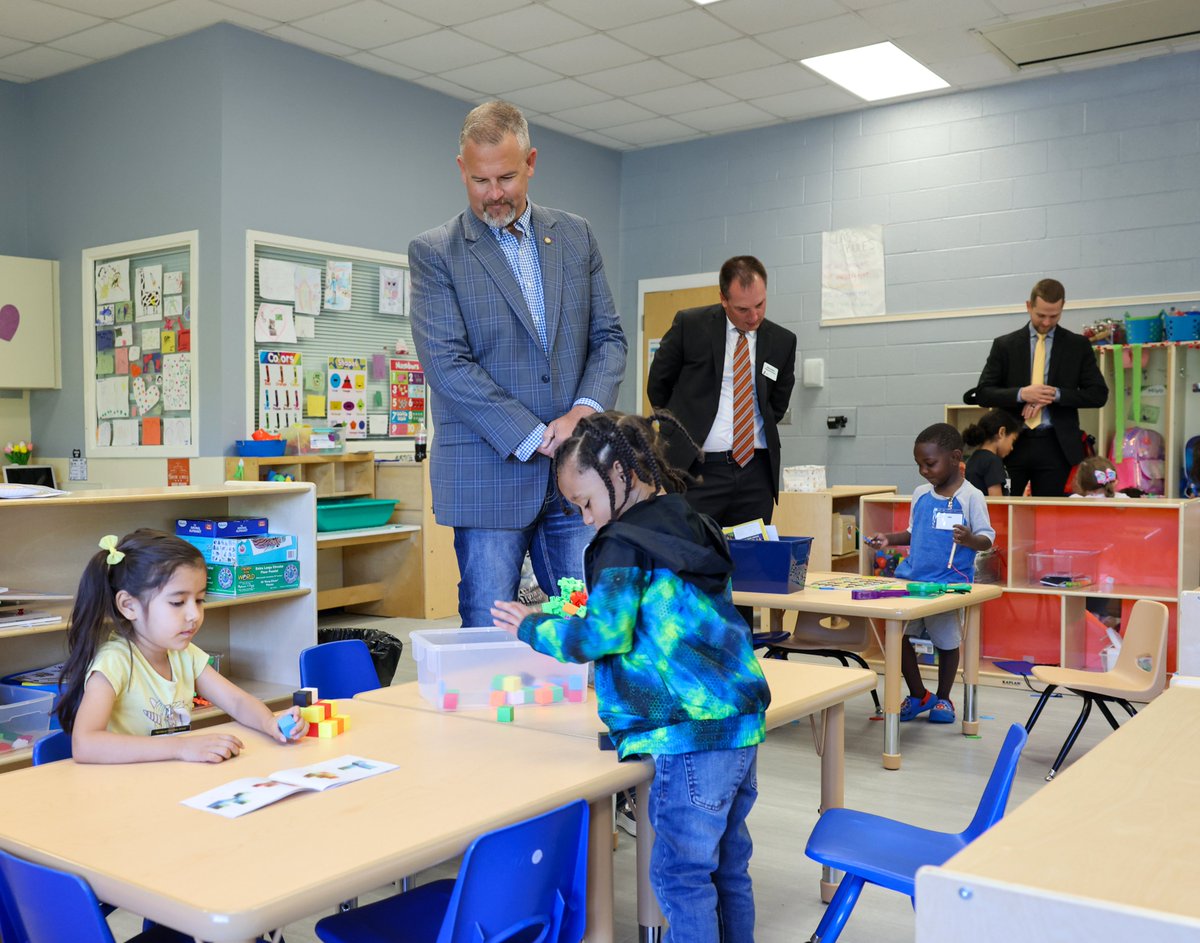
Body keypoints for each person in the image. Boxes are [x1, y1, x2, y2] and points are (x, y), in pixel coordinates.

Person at [491, 411, 771, 943]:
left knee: (681, 875)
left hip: (686, 733)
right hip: (740, 723)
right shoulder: (689, 520)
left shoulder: (621, 544)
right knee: (728, 868)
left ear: (621, 472)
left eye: (587, 503)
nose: (588, 519)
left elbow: (602, 636)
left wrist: (534, 627)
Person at [409, 100, 627, 627]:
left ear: (531, 161)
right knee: (487, 631)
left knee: (589, 625)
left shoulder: (576, 236)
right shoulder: (436, 252)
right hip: (487, 477)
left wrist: (582, 412)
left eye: (506, 176)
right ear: (462, 168)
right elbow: (448, 365)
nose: (494, 194)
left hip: (577, 475)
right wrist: (534, 434)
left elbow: (609, 339)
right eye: (480, 180)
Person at [56, 530, 308, 763]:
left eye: (199, 600)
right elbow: (85, 744)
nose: (193, 615)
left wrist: (269, 722)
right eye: (177, 602)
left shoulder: (183, 654)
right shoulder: (114, 663)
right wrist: (182, 748)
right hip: (124, 789)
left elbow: (237, 702)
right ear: (129, 606)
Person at [646, 255, 796, 530]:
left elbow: (777, 403)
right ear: (723, 299)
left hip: (755, 473)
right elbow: (658, 383)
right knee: (692, 554)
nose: (754, 317)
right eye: (742, 309)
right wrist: (679, 428)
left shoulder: (782, 341)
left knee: (751, 560)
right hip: (697, 470)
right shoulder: (691, 326)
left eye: (760, 305)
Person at [867, 423, 995, 726]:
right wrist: (888, 538)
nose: (924, 471)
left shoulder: (971, 496)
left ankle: (944, 697)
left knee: (947, 642)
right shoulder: (921, 494)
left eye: (930, 463)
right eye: (919, 465)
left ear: (954, 457)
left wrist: (970, 539)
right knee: (898, 637)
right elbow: (913, 533)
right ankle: (919, 695)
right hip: (912, 580)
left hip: (946, 585)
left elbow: (987, 539)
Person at [967, 277, 1108, 497]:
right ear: (1028, 306)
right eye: (1040, 315)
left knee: (1051, 519)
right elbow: (984, 393)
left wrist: (1055, 394)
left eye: (1054, 316)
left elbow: (1099, 395)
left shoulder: (1077, 346)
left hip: (1057, 446)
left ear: (1062, 308)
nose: (1046, 322)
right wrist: (1023, 393)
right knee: (1004, 514)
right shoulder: (1005, 345)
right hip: (1011, 444)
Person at [963, 409, 1021, 496]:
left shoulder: (974, 457)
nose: (1012, 448)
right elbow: (996, 502)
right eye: (1012, 440)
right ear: (1002, 432)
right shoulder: (992, 461)